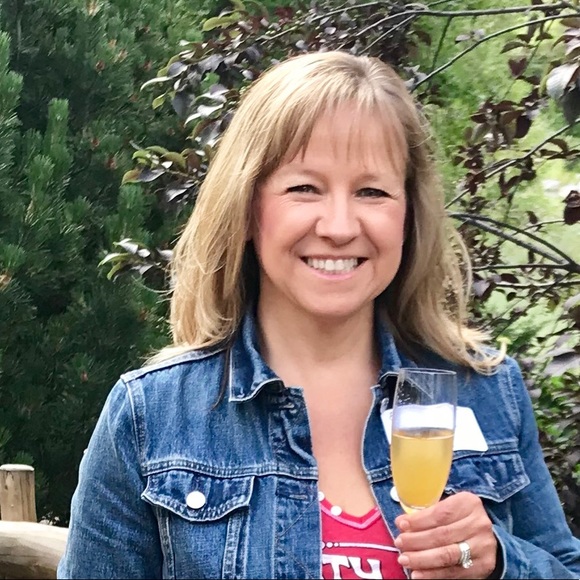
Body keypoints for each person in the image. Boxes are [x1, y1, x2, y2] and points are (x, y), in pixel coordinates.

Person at [58, 51, 580, 580]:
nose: (338, 226)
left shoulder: (484, 390)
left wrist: (500, 562)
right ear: (247, 208)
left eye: (372, 192)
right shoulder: (152, 417)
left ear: (408, 216)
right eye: (304, 188)